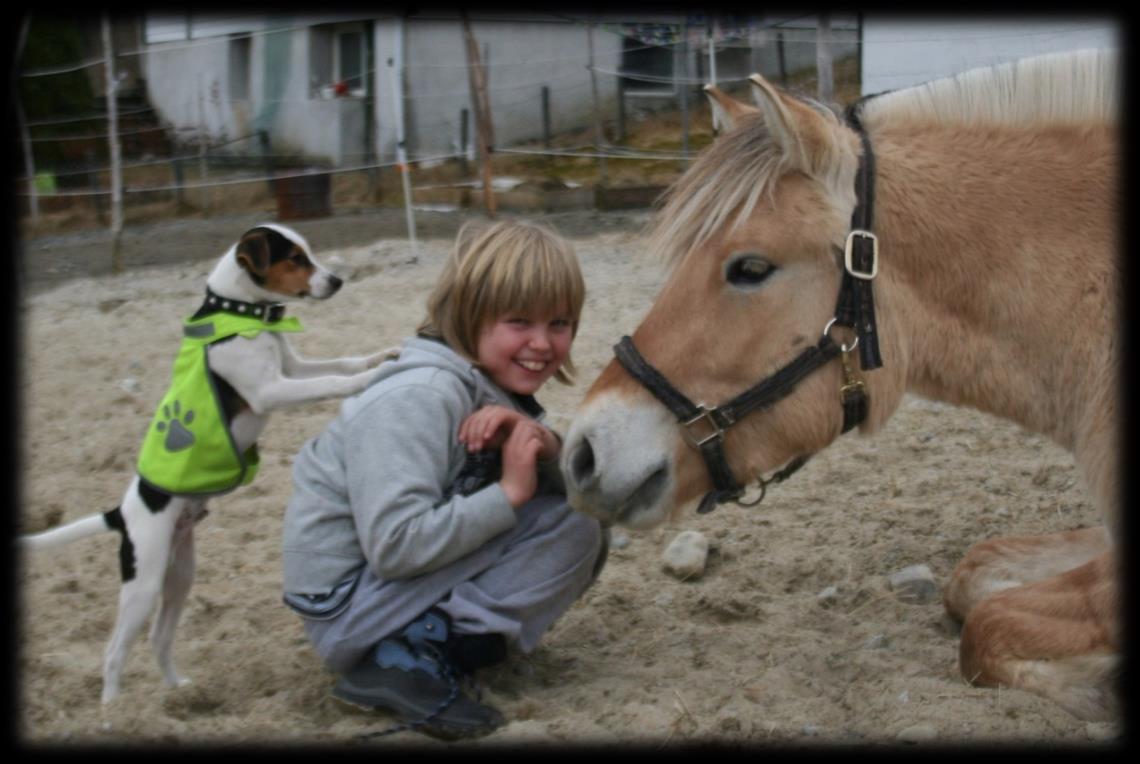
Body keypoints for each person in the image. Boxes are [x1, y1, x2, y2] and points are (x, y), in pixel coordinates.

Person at [281, 220, 607, 740]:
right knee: (568, 520)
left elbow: (580, 489)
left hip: (376, 592)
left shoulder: (488, 388)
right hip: (346, 606)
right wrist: (507, 494)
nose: (542, 343)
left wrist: (544, 448)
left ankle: (425, 642)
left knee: (578, 512)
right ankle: (406, 655)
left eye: (561, 323)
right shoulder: (420, 395)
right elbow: (394, 545)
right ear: (470, 315)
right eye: (519, 321)